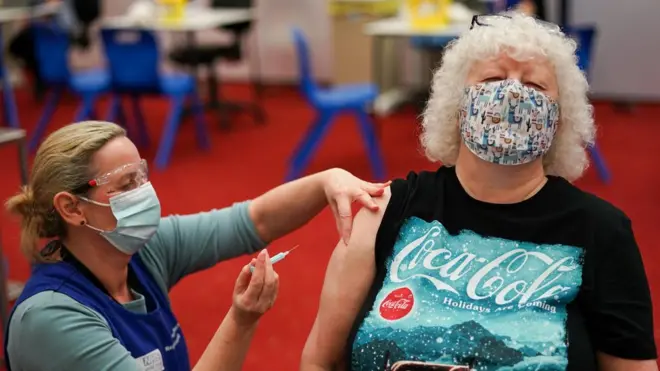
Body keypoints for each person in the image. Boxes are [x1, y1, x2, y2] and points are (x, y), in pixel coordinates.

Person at [301, 13, 657, 371]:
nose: (512, 93)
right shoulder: (387, 210)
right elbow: (320, 361)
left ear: (559, 119)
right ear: (456, 106)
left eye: (534, 87)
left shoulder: (602, 231)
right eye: (493, 78)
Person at [3, 121, 389, 370]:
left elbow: (253, 221)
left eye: (143, 175)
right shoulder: (51, 319)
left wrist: (326, 181)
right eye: (125, 186)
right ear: (71, 208)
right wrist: (242, 319)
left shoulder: (137, 253)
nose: (145, 194)